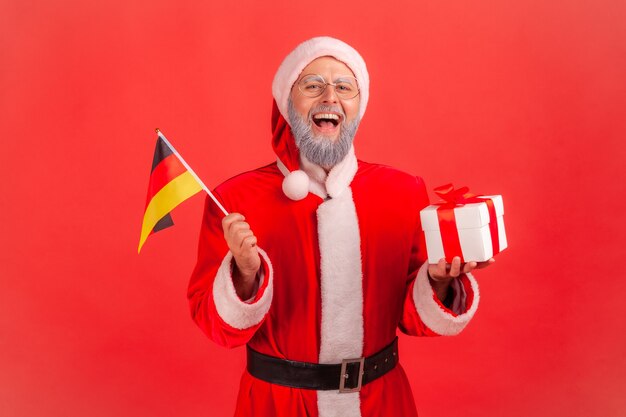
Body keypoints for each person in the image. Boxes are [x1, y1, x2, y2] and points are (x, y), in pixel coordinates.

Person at [188, 36, 494, 417]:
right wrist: (245, 276)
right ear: (288, 104)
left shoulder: (402, 191)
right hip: (277, 406)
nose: (330, 97)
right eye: (313, 85)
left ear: (358, 106)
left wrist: (440, 281)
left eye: (344, 87)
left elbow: (414, 319)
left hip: (381, 403)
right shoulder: (233, 199)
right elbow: (216, 327)